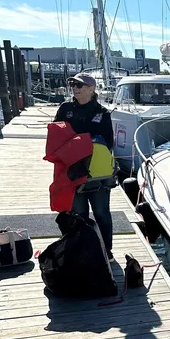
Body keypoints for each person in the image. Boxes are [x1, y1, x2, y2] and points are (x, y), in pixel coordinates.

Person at [53, 73, 116, 259]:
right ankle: (82, 249)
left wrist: (83, 145)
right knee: (78, 212)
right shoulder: (65, 109)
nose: (75, 88)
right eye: (72, 84)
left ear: (91, 89)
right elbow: (55, 134)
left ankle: (107, 251)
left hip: (96, 171)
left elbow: (108, 143)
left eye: (80, 85)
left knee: (101, 212)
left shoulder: (102, 113)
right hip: (72, 170)